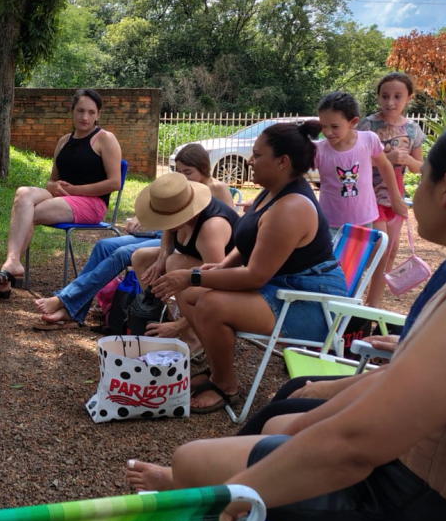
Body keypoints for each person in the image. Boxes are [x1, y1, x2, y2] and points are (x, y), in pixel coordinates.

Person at [126, 117, 446, 521]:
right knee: (288, 419)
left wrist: (233, 498)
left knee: (193, 462)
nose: (408, 188)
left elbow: (353, 447)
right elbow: (403, 396)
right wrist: (306, 422)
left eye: (417, 176)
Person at [149, 122, 348, 413]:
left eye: (257, 155)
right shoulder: (271, 192)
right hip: (282, 287)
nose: (251, 161)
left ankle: (226, 385)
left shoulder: (291, 207)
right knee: (195, 295)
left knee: (211, 304)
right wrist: (219, 267)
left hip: (311, 301)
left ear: (282, 162)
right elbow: (246, 244)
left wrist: (193, 276)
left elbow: (255, 275)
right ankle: (218, 371)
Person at [236, 255, 446, 437]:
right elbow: (440, 354)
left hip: (411, 415)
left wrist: (331, 389)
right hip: (401, 387)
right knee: (294, 388)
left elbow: (428, 374)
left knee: (279, 417)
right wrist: (407, 342)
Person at [33, 144, 234, 328]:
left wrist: (165, 253)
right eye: (179, 171)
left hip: (185, 243)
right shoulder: (178, 192)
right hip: (166, 234)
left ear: (204, 168)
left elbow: (226, 230)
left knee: (122, 254)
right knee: (103, 245)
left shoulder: (215, 193)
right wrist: (142, 217)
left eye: (188, 172)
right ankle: (75, 310)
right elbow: (167, 223)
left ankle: (67, 301)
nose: (182, 177)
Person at [0, 89, 123, 301]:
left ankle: (4, 280)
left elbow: (114, 183)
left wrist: (74, 190)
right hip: (62, 198)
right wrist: (51, 186)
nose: (85, 117)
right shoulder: (63, 141)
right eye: (80, 111)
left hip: (91, 203)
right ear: (71, 111)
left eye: (91, 112)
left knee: (29, 212)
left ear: (98, 114)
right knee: (23, 194)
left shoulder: (105, 139)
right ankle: (12, 263)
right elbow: (53, 180)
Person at [124, 173, 239, 388]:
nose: (165, 224)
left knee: (175, 263)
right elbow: (169, 230)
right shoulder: (179, 210)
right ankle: (161, 319)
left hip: (226, 278)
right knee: (140, 258)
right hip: (196, 264)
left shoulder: (211, 228)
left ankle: (192, 335)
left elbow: (218, 282)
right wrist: (160, 258)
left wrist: (179, 324)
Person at [358, 71, 425, 307]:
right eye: (385, 96)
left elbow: (419, 167)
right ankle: (349, 298)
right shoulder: (368, 125)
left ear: (409, 98)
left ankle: (371, 308)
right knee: (377, 248)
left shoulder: (413, 130)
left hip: (395, 198)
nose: (390, 102)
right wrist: (388, 156)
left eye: (397, 96)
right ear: (378, 97)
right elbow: (355, 161)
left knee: (388, 255)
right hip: (369, 197)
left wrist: (406, 160)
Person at [314, 91, 406, 239]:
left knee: (359, 260)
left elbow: (385, 166)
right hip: (330, 223)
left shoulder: (369, 140)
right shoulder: (318, 150)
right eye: (323, 126)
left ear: (352, 122)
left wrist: (395, 199)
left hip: (364, 220)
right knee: (335, 262)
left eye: (335, 126)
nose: (328, 132)